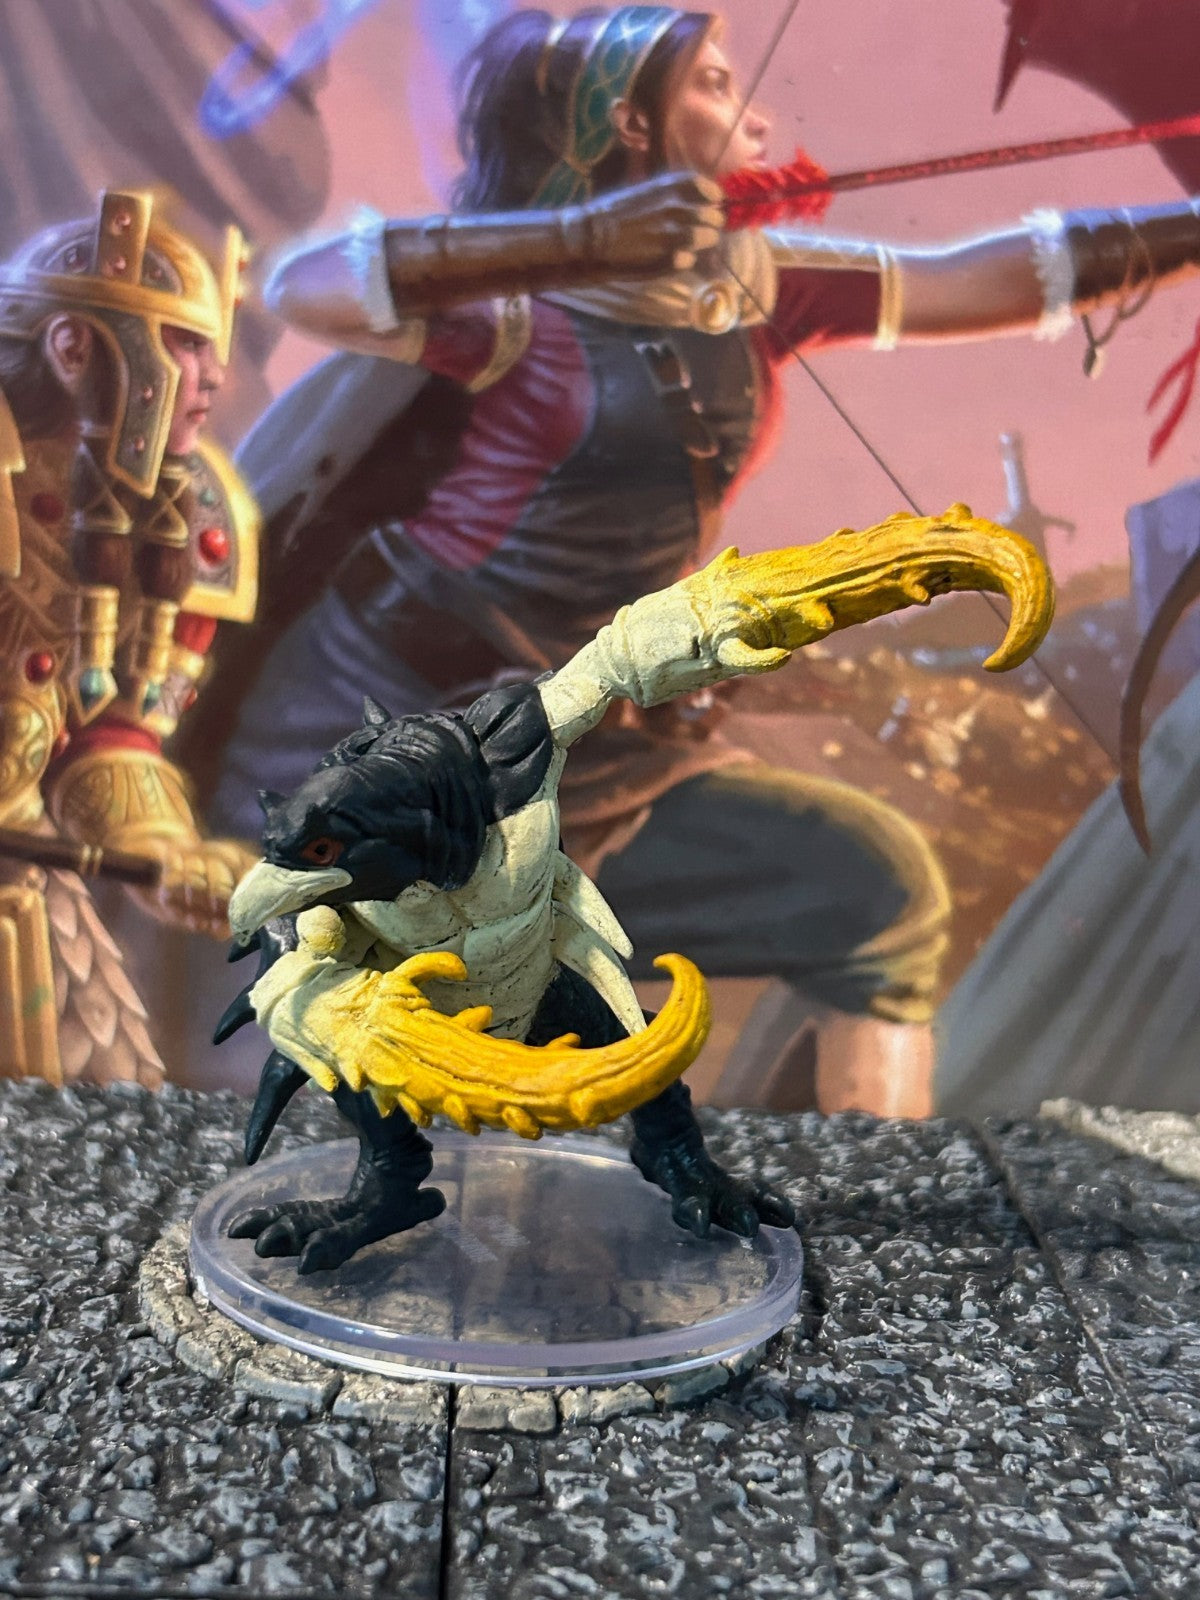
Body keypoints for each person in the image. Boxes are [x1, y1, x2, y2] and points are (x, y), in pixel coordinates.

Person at [205, 5, 1200, 1117]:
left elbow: (983, 276)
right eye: (718, 86)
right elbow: (305, 288)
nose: (757, 118)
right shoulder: (513, 297)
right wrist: (584, 243)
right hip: (385, 739)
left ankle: (878, 1198)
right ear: (634, 123)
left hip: (584, 762)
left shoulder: (748, 287)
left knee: (873, 895)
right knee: (361, 1077)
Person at [0, 189, 260, 1086]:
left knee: (96, 1109)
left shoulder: (182, 521)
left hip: (21, 892)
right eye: (184, 343)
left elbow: (116, 730)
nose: (212, 378)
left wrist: (164, 850)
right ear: (75, 347)